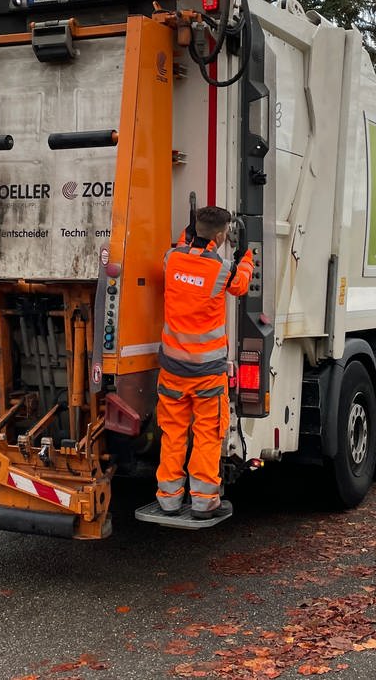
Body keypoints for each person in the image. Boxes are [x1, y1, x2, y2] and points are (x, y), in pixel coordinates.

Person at [156, 206, 255, 520]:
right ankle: (203, 503)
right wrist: (248, 255)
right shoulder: (223, 269)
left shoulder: (171, 260)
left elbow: (181, 253)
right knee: (207, 435)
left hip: (172, 369)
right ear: (222, 235)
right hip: (207, 375)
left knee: (172, 434)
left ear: (193, 229)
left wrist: (189, 237)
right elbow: (240, 286)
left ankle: (168, 500)